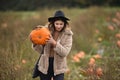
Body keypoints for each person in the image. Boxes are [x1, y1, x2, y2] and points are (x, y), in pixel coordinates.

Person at [32, 10, 73, 80]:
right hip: (45, 64)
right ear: (53, 23)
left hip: (59, 66)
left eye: (61, 24)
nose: (59, 26)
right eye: (57, 24)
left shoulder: (68, 35)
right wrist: (35, 42)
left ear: (64, 24)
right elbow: (41, 51)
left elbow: (65, 52)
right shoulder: (45, 31)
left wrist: (54, 43)